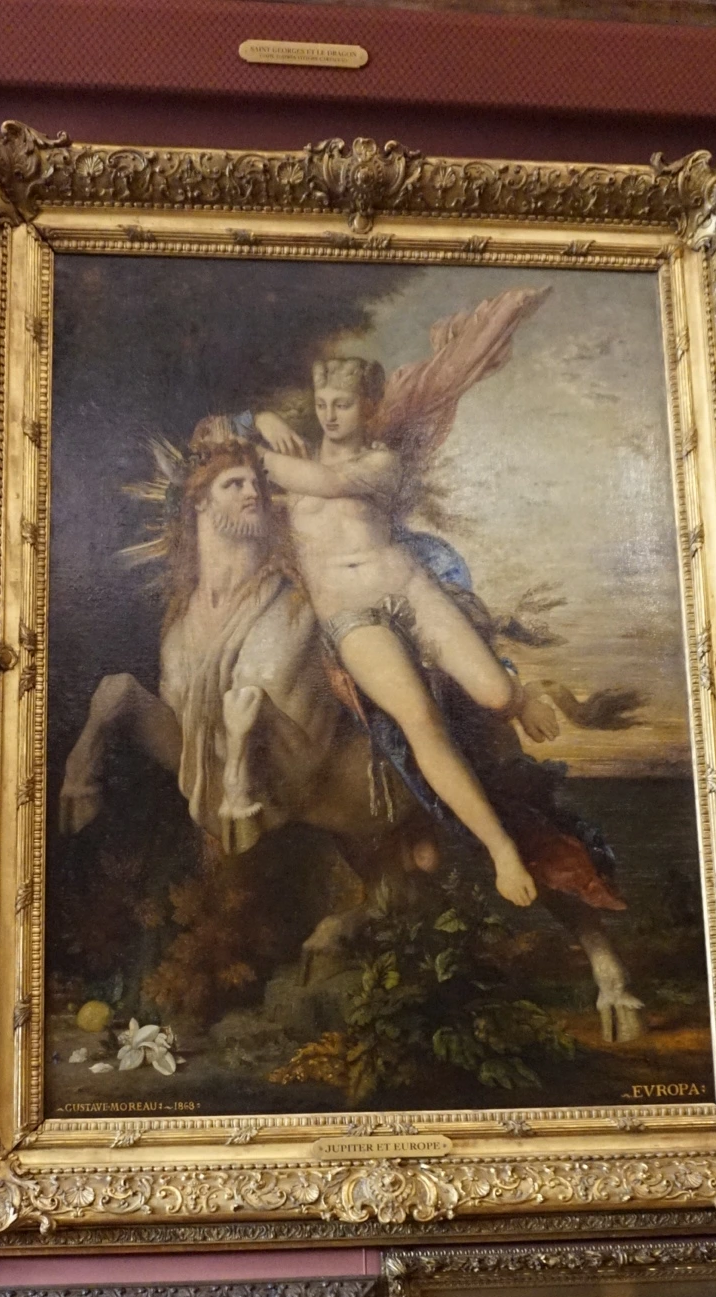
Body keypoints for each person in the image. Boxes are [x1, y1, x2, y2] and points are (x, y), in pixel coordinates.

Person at [252, 288, 559, 908]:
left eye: (343, 404)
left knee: (495, 694)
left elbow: (326, 481)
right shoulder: (290, 454)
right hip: (350, 615)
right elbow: (214, 444)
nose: (330, 415)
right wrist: (257, 421)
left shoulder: (380, 463)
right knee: (420, 719)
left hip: (408, 587)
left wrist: (255, 438)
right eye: (322, 404)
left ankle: (519, 696)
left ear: (369, 407)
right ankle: (500, 849)